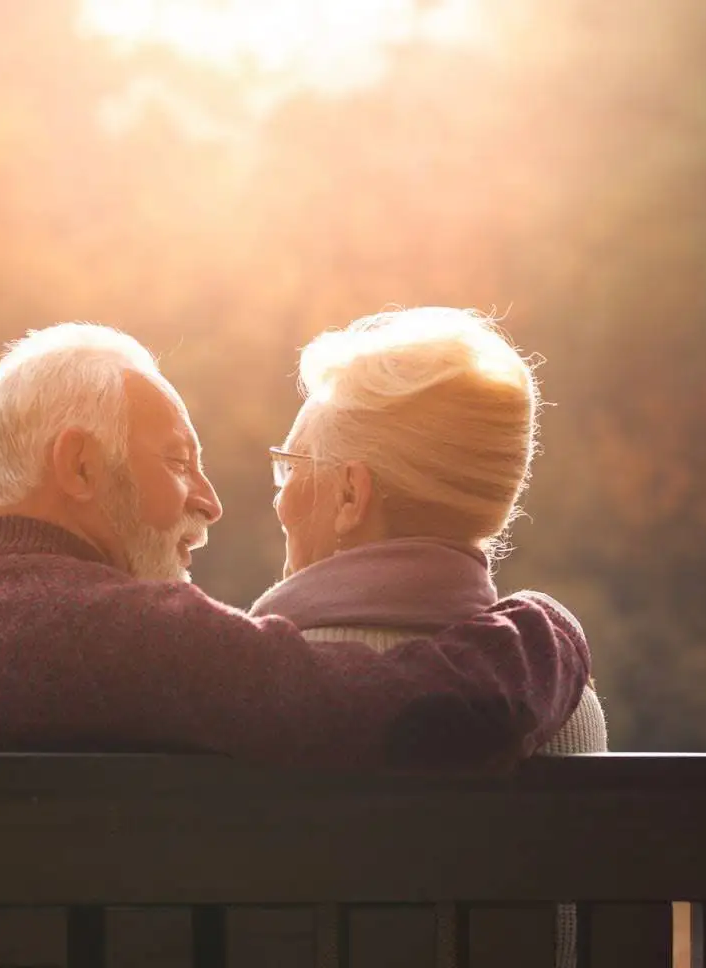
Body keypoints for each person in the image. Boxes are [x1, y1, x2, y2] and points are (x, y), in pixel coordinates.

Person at [0, 322, 592, 773]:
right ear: (81, 465)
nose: (212, 501)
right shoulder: (127, 637)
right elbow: (422, 714)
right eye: (179, 462)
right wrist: (546, 629)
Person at [249, 306, 606, 966]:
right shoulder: (570, 703)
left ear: (352, 495)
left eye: (290, 466)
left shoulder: (267, 688)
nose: (279, 498)